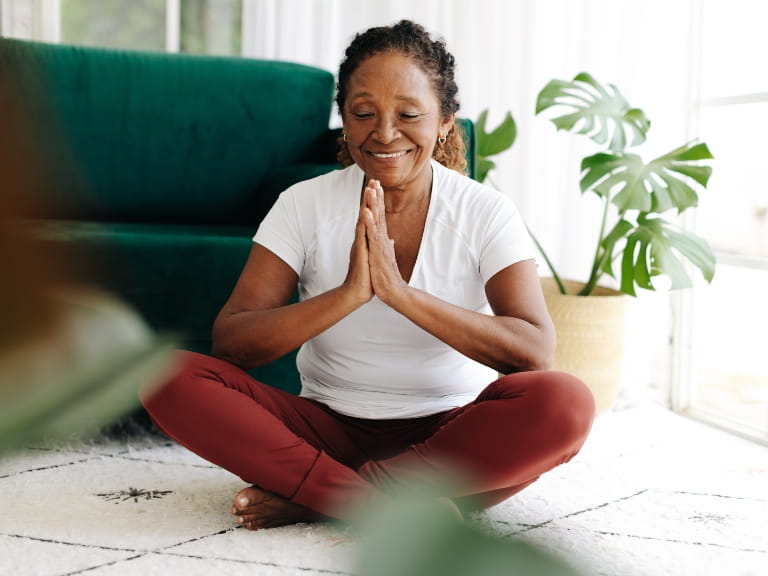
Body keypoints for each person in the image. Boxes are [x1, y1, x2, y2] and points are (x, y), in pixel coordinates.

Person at [141, 19, 595, 530]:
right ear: (345, 119)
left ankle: (321, 496)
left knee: (565, 403)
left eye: (408, 114)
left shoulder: (485, 212)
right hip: (325, 429)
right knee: (163, 375)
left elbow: (533, 351)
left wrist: (400, 295)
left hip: (451, 437)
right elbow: (234, 341)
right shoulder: (303, 205)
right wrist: (350, 294)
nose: (384, 134)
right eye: (363, 113)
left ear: (445, 120)